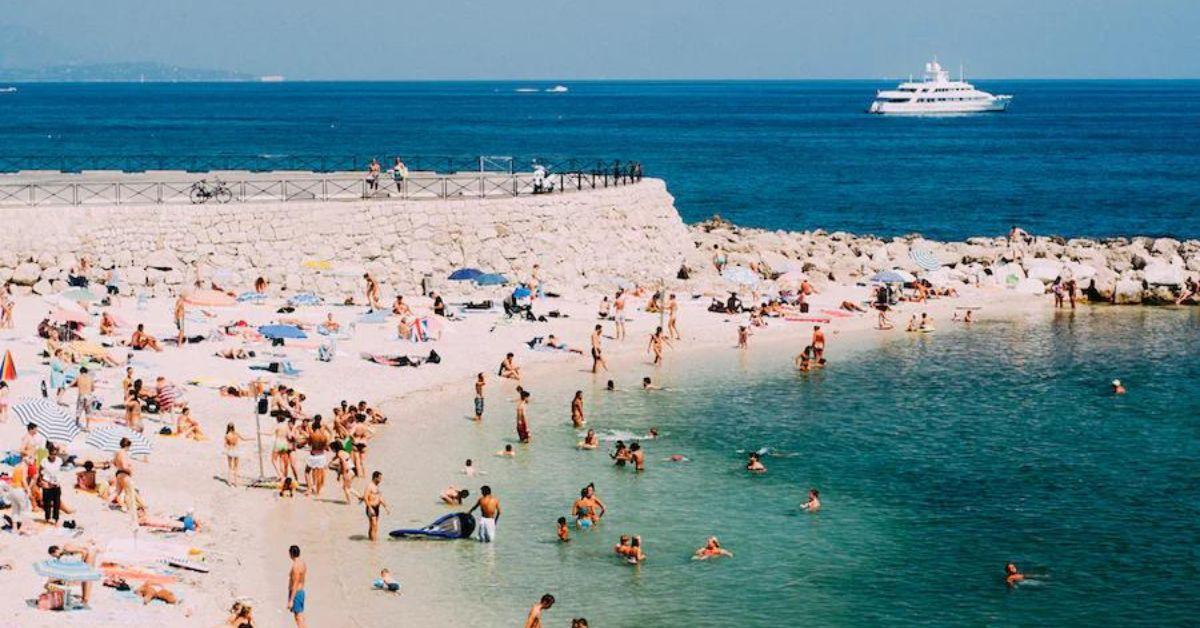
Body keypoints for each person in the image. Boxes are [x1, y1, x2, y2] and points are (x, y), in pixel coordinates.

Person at [359, 471, 390, 542]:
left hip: (377, 508)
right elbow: (365, 498)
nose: (381, 480)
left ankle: (371, 540)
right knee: (374, 525)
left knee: (373, 526)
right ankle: (374, 542)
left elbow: (380, 497)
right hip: (371, 507)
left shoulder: (377, 486)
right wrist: (370, 508)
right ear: (375, 478)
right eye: (379, 478)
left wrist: (386, 507)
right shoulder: (369, 486)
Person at [224, 423, 250, 488]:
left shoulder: (227, 435)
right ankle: (235, 482)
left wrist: (228, 446)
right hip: (236, 450)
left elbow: (225, 445)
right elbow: (244, 439)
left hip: (230, 450)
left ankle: (229, 482)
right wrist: (251, 439)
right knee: (236, 467)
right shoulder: (236, 434)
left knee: (230, 467)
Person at [287, 545, 307, 627]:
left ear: (291, 554)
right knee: (300, 615)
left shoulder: (296, 566)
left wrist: (291, 600)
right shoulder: (302, 563)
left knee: (298, 617)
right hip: (301, 591)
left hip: (296, 593)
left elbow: (295, 583)